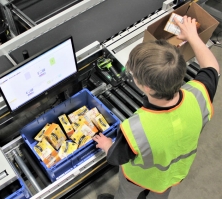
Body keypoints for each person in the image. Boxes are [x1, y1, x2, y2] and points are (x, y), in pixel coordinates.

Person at [93, 16, 220, 199]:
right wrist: (192, 36)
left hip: (138, 181)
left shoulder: (135, 129)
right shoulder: (200, 95)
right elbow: (212, 67)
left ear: (147, 88)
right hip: (174, 174)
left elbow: (116, 157)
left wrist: (107, 145)